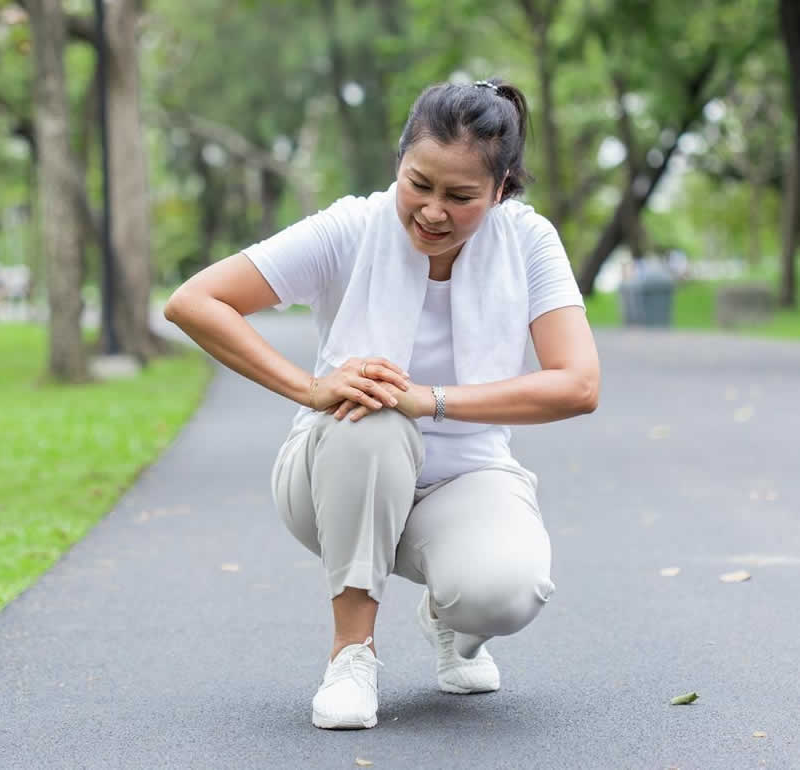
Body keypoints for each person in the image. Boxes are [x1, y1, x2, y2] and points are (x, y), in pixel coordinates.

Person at [164, 79, 600, 730]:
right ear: (399, 161)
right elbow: (194, 301)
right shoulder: (352, 227)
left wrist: (432, 400)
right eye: (418, 184)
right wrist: (309, 387)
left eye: (461, 197)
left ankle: (452, 625)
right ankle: (351, 658)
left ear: (502, 190)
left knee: (507, 592)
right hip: (332, 475)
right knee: (374, 407)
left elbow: (578, 383)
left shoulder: (528, 243)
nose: (431, 211)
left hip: (466, 476)